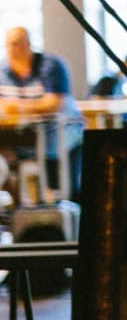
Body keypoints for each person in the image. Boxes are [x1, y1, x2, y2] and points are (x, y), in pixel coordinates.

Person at [1, 27, 81, 196]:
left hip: (60, 131)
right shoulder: (3, 70)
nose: (14, 49)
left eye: (19, 44)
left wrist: (17, 105)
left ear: (29, 44)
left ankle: (55, 197)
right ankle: (18, 205)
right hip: (21, 132)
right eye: (9, 45)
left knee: (61, 183)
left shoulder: (51, 65)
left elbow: (54, 104)